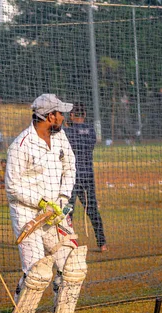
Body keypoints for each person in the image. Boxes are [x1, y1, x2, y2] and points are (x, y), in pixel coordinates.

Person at [5, 94, 88, 313]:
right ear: (50, 116)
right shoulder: (21, 145)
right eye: (60, 113)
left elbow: (70, 166)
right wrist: (41, 203)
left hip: (56, 213)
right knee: (38, 271)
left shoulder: (60, 136)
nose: (64, 117)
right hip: (28, 213)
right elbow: (12, 186)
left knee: (73, 265)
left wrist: (62, 198)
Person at [64, 103, 108, 252]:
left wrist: (67, 127)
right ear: (84, 115)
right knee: (93, 210)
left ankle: (67, 242)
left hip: (72, 178)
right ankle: (102, 243)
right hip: (88, 176)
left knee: (67, 210)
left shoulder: (67, 132)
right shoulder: (90, 130)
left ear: (71, 115)